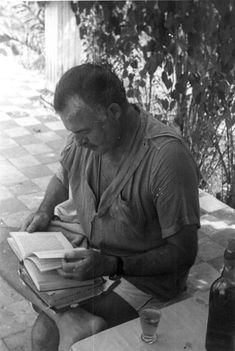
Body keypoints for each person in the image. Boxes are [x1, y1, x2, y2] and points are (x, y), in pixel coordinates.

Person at [20, 63, 200, 351]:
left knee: (77, 339)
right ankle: (64, 317)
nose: (77, 141)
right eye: (73, 132)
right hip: (98, 258)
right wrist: (44, 209)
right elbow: (64, 172)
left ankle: (65, 317)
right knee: (44, 331)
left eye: (84, 132)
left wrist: (113, 264)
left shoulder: (166, 159)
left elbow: (184, 253)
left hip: (144, 279)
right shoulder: (85, 139)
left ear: (114, 112)